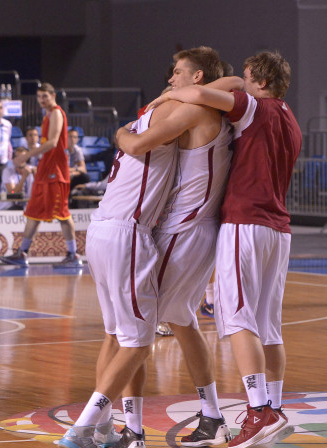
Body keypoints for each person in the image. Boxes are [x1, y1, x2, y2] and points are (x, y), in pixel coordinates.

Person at [147, 50, 301, 448]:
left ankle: (258, 410)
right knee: (268, 325)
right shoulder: (291, 120)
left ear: (261, 83)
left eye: (248, 77)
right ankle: (275, 408)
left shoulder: (256, 108)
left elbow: (199, 96)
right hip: (279, 229)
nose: (243, 82)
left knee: (236, 320)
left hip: (245, 224)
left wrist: (166, 97)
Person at [115, 46, 234, 447]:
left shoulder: (196, 110)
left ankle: (128, 427)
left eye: (177, 73)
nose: (170, 80)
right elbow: (231, 83)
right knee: (183, 322)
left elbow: (137, 145)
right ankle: (213, 414)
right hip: (197, 228)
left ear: (197, 78)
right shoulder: (216, 108)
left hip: (183, 228)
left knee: (133, 327)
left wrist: (157, 105)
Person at [57, 89, 179, 448]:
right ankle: (82, 428)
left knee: (116, 337)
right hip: (128, 232)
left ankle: (109, 430)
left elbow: (129, 139)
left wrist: (123, 132)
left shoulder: (137, 124)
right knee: (140, 342)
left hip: (100, 230)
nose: (173, 84)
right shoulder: (170, 122)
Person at [0, 82, 81, 268]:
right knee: (33, 211)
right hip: (45, 169)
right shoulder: (47, 115)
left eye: (45, 96)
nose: (41, 100)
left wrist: (26, 156)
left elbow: (52, 143)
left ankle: (73, 254)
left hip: (56, 171)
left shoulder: (57, 113)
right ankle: (22, 253)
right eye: (39, 97)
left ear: (53, 96)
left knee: (62, 213)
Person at [0, 146, 35, 211]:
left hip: (27, 206)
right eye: (17, 157)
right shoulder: (7, 171)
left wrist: (36, 175)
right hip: (8, 206)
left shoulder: (32, 170)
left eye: (23, 157)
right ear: (13, 159)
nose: (20, 160)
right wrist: (23, 178)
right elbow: (12, 193)